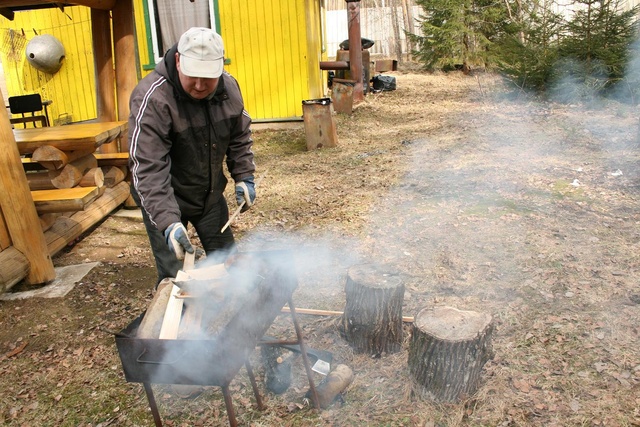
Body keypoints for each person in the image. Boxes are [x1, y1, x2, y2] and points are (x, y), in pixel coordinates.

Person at [128, 27, 256, 284]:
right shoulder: (153, 98)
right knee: (175, 279)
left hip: (208, 197)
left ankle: (235, 321)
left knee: (230, 266)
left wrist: (244, 175)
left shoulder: (228, 88)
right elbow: (148, 168)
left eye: (208, 77)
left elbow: (239, 135)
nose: (200, 86)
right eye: (193, 76)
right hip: (165, 197)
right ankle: (177, 322)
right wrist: (167, 222)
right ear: (178, 61)